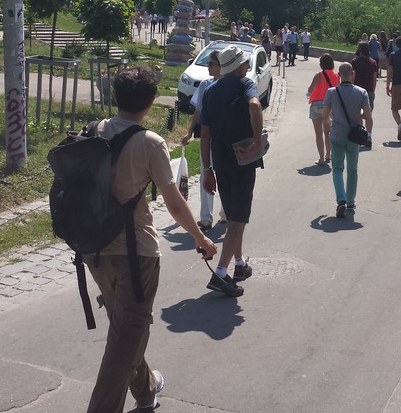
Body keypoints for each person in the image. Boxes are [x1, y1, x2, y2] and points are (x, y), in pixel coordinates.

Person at [83, 66, 218, 413]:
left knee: (126, 332)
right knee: (123, 343)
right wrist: (200, 237)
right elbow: (174, 203)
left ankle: (146, 390)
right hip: (136, 254)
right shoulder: (150, 143)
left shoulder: (95, 130)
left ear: (115, 96)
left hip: (94, 250)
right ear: (152, 102)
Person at [199, 45, 265, 298]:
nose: (247, 66)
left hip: (219, 160)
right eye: (245, 63)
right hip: (242, 158)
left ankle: (239, 264)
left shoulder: (210, 90)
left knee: (233, 212)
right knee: (238, 219)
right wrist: (256, 141)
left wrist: (207, 168)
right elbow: (255, 105)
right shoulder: (245, 84)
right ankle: (220, 273)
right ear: (238, 66)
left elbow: (205, 133)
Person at [181, 51, 225, 231]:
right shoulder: (205, 85)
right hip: (207, 137)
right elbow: (198, 111)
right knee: (205, 172)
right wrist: (189, 132)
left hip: (225, 138)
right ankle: (206, 217)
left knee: (224, 175)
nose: (208, 66)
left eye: (211, 63)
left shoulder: (230, 84)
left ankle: (226, 212)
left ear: (221, 66)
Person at [322, 63, 373, 217]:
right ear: (352, 74)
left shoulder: (331, 92)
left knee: (337, 169)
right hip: (354, 136)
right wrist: (367, 132)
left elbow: (325, 116)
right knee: (352, 169)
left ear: (339, 75)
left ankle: (341, 200)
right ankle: (350, 201)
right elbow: (368, 116)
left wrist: (329, 127)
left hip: (337, 134)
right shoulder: (361, 92)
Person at [306, 53, 339, 165]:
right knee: (327, 132)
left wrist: (310, 91)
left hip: (316, 105)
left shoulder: (318, 75)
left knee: (318, 133)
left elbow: (310, 90)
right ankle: (328, 154)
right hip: (329, 106)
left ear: (321, 64)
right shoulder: (336, 76)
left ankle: (321, 158)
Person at [351, 40, 379, 114]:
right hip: (369, 90)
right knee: (368, 115)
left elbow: (353, 77)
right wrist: (373, 90)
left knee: (357, 114)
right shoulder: (373, 62)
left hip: (357, 90)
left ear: (359, 50)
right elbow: (374, 78)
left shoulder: (354, 62)